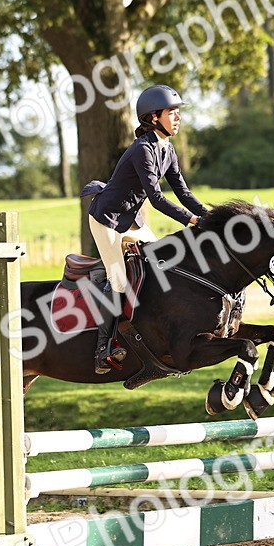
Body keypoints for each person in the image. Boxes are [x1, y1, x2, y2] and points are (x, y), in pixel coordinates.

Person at [85, 84, 210, 373]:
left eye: (179, 113)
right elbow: (156, 199)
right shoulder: (142, 150)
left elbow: (183, 192)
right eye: (172, 113)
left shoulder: (167, 150)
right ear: (154, 117)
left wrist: (209, 215)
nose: (178, 118)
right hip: (108, 220)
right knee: (118, 281)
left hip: (132, 220)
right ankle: (103, 348)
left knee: (162, 263)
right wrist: (191, 221)